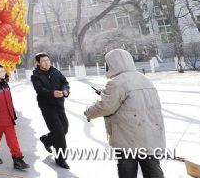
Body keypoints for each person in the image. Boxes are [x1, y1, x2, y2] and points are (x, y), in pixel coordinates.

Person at [85, 49, 166, 178]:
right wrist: (105, 93)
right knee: (152, 170)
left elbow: (105, 107)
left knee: (127, 172)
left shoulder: (116, 82)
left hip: (128, 137)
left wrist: (88, 112)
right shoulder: (144, 79)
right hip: (150, 134)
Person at [0, 63, 30, 170]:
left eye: (4, 71)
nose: (4, 73)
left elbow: (10, 101)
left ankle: (17, 159)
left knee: (13, 140)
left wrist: (12, 115)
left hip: (8, 119)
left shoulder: (5, 84)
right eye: (1, 72)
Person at [31, 52, 71, 169]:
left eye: (48, 60)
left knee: (65, 129)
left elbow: (65, 83)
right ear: (38, 63)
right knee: (59, 133)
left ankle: (47, 139)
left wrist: (65, 91)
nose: (46, 62)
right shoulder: (36, 76)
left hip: (59, 105)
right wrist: (52, 93)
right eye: (43, 61)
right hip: (47, 107)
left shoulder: (55, 72)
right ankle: (60, 159)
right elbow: (39, 90)